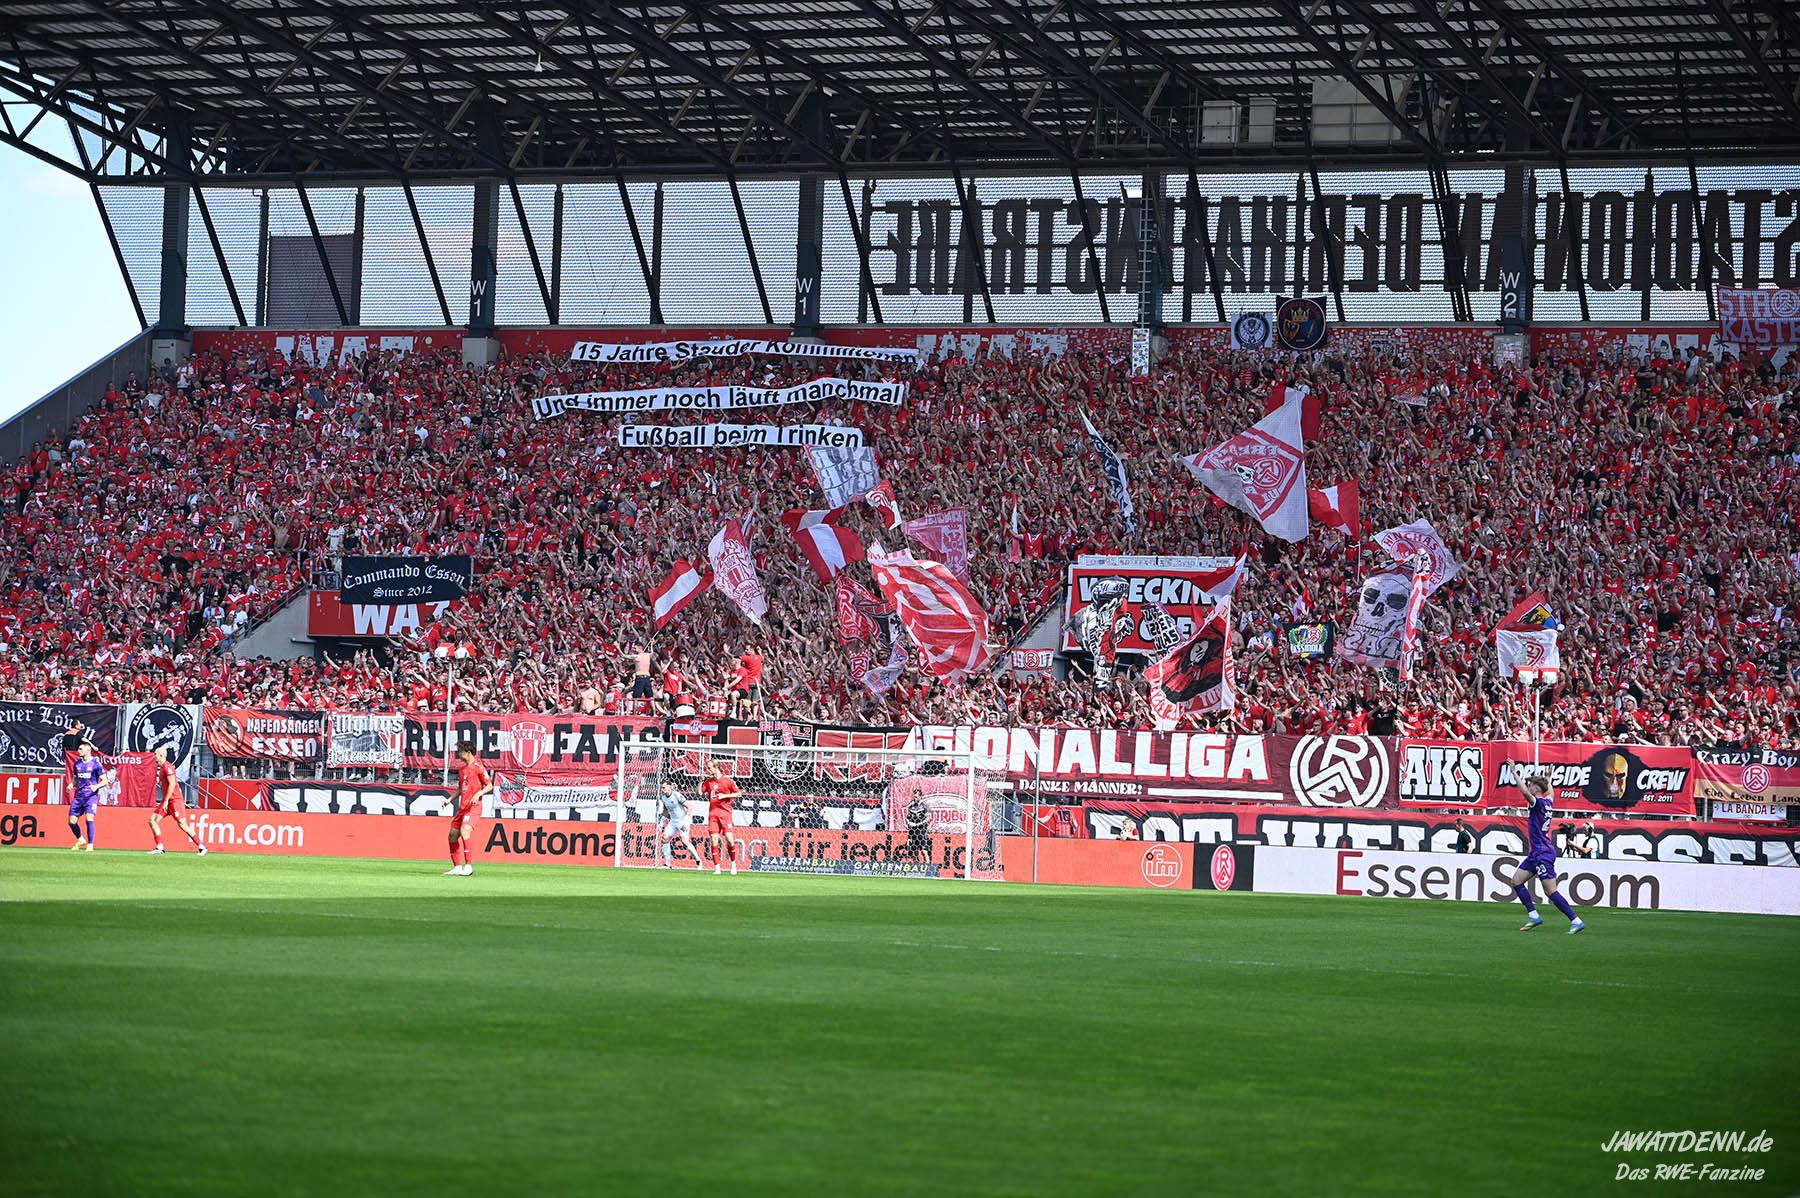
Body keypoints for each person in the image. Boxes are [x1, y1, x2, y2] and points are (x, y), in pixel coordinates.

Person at [1508, 773, 1586, 934]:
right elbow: (1551, 793)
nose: (1528, 786)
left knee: (1550, 891)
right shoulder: (1547, 802)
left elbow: (1525, 794)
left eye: (1531, 784)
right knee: (1516, 881)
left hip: (1543, 853)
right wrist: (1549, 780)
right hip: (1536, 853)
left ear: (1536, 788)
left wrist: (1514, 772)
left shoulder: (1537, 803)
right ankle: (1534, 916)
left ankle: (1576, 921)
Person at [62, 722, 115, 852]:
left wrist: (95, 786)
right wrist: (71, 784)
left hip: (90, 796)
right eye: (78, 749)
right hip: (78, 796)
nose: (78, 751)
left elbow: (105, 780)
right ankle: (80, 839)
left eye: (81, 749)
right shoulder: (77, 764)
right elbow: (76, 778)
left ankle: (90, 844)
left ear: (88, 749)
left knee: (89, 818)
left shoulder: (96, 764)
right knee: (71, 821)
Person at [147, 745, 207, 856]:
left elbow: (173, 784)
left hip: (174, 801)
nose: (154, 756)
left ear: (161, 755)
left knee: (182, 824)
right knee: (152, 820)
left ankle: (201, 846)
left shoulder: (168, 768)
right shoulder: (161, 768)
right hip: (167, 801)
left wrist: (165, 801)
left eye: (155, 754)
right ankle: (160, 847)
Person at [445, 742, 493, 876]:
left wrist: (479, 793)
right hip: (463, 808)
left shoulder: (478, 768)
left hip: (474, 808)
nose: (458, 754)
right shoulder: (462, 770)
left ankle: (469, 866)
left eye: (460, 751)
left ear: (468, 753)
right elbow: (461, 788)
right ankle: (457, 867)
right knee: (452, 835)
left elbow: (489, 786)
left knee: (465, 831)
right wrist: (450, 800)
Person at [700, 758, 743, 876]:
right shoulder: (709, 782)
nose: (707, 770)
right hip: (713, 814)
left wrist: (725, 795)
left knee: (729, 839)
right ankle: (717, 867)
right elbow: (699, 793)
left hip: (725, 814)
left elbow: (739, 793)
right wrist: (700, 782)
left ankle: (733, 864)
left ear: (716, 767)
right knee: (714, 840)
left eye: (709, 768)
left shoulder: (728, 781)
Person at [656, 777, 703, 869]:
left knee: (684, 841)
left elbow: (689, 806)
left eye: (664, 787)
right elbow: (665, 811)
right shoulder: (663, 798)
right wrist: (661, 822)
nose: (662, 790)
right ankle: (668, 865)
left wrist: (687, 819)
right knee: (665, 838)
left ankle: (698, 860)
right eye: (661, 788)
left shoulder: (677, 795)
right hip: (673, 821)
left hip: (683, 821)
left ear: (669, 787)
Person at [905, 793, 932, 864]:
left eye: (916, 797)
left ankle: (927, 864)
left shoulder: (925, 806)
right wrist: (908, 822)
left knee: (923, 849)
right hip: (912, 830)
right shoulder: (911, 806)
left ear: (920, 797)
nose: (914, 798)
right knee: (913, 848)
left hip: (921, 830)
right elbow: (907, 817)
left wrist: (917, 824)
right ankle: (916, 865)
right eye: (914, 797)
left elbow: (928, 818)